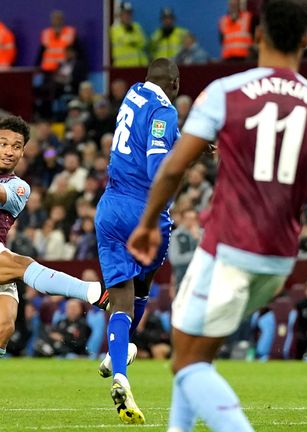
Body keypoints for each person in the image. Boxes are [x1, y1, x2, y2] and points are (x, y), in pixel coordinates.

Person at [126, 1, 307, 430]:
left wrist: (145, 223)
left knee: (186, 363)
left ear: (257, 37)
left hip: (229, 249)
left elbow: (174, 166)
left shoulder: (225, 92)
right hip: (277, 260)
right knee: (192, 350)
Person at [0, 116, 105, 414]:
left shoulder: (19, 187)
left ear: (24, 152)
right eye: (3, 143)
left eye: (17, 146)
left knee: (3, 328)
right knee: (23, 263)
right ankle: (94, 293)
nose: (9, 150)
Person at [93, 57, 181, 424]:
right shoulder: (165, 111)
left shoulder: (133, 94)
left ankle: (119, 370)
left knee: (121, 300)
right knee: (141, 289)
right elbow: (156, 165)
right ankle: (121, 350)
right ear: (174, 82)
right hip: (141, 211)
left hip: (108, 208)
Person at [109, 2, 148, 67]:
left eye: (130, 13)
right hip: (123, 67)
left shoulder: (137, 27)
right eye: (125, 14)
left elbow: (144, 42)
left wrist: (136, 39)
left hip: (140, 66)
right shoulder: (115, 29)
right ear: (120, 15)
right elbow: (126, 40)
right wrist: (136, 39)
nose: (128, 16)